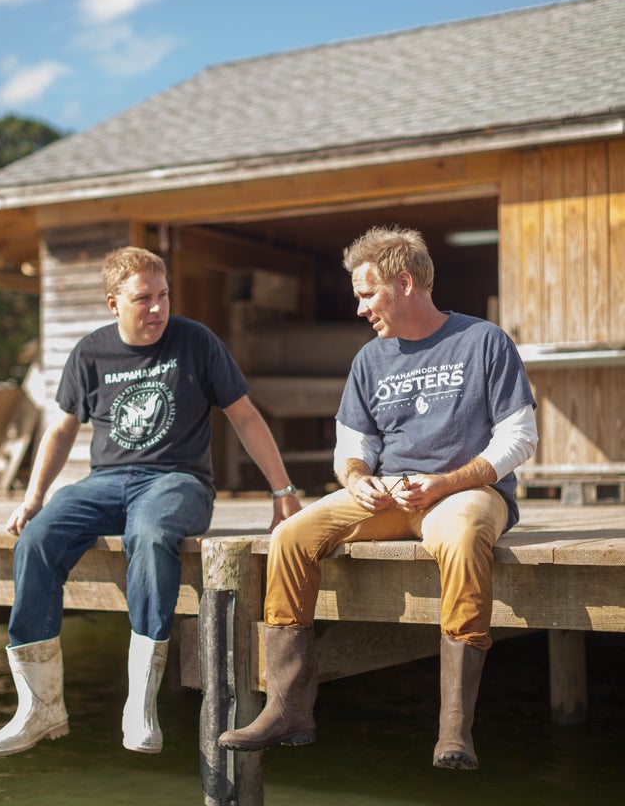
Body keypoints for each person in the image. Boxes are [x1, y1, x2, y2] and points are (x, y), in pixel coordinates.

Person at [219, 225, 538, 770]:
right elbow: (353, 446)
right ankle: (289, 707)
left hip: (467, 492)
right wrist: (356, 478)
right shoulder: (370, 359)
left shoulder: (484, 341)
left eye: (367, 294)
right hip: (388, 495)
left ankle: (454, 730)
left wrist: (446, 482)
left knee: (461, 540)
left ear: (405, 282)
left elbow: (519, 438)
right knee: (290, 536)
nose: (361, 307)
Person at [0, 246, 301, 758]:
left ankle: (141, 703)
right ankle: (40, 708)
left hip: (179, 480)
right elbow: (61, 428)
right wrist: (33, 498)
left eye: (163, 296)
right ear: (114, 303)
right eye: (142, 299)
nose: (156, 309)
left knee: (149, 535)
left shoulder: (196, 342)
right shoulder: (90, 352)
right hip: (105, 481)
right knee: (37, 540)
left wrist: (283, 491)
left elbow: (244, 415)